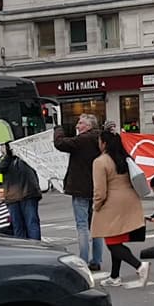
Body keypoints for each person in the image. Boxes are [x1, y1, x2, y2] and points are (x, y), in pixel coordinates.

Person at [92, 130, 150, 288]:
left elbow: (100, 191)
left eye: (99, 141)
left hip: (112, 204)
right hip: (130, 201)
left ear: (103, 143)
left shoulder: (100, 161)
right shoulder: (124, 157)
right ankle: (115, 276)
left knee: (112, 242)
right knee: (116, 239)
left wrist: (96, 206)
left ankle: (139, 266)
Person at [55, 114, 104, 271]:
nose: (77, 126)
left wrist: (57, 129)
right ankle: (96, 260)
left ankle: (83, 260)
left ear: (89, 126)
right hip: (97, 188)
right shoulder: (101, 138)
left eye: (81, 123)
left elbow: (60, 143)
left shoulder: (83, 140)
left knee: (82, 226)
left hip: (80, 188)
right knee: (96, 226)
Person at [0, 143, 42, 240]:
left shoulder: (24, 157)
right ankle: (24, 247)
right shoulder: (3, 159)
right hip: (14, 197)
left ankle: (36, 247)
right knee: (20, 225)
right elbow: (0, 177)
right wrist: (0, 193)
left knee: (30, 224)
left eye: (3, 146)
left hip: (26, 195)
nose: (1, 148)